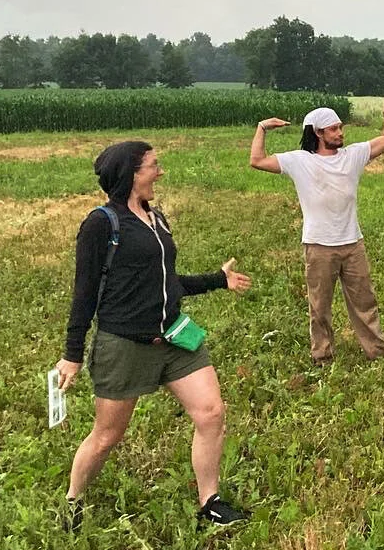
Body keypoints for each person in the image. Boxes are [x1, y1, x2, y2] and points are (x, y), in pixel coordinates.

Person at [57, 141, 253, 529]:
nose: (159, 172)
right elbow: (85, 293)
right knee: (108, 435)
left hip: (175, 339)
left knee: (211, 412)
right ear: (130, 174)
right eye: (152, 166)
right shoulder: (101, 224)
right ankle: (73, 502)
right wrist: (72, 354)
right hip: (125, 344)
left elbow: (164, 281)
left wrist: (218, 280)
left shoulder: (156, 217)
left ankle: (209, 501)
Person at [249, 95, 384, 364]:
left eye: (340, 127)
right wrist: (262, 128)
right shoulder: (299, 161)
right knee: (320, 307)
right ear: (318, 133)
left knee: (365, 303)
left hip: (353, 244)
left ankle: (377, 353)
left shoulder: (354, 155)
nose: (340, 133)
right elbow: (257, 160)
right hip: (318, 246)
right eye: (334, 129)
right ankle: (322, 356)